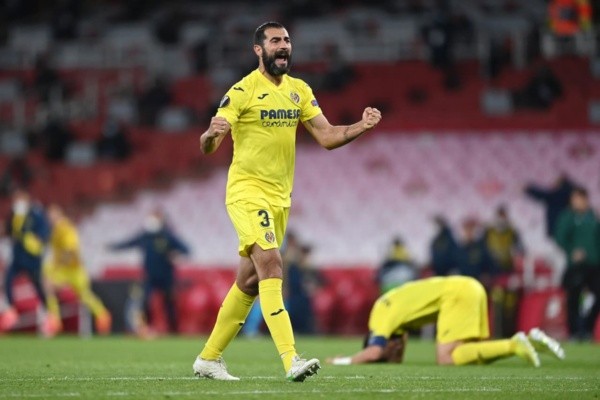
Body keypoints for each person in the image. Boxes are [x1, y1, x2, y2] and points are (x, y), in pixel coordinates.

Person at [194, 21, 381, 382]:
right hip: (247, 192)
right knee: (271, 263)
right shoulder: (243, 90)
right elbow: (210, 145)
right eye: (275, 41)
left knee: (250, 281)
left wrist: (360, 126)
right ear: (258, 50)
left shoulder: (299, 90)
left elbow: (327, 136)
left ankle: (209, 358)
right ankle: (291, 359)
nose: (283, 46)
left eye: (287, 40)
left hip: (280, 199)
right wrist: (209, 135)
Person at [326, 276, 565, 366]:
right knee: (468, 354)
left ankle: (514, 345)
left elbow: (374, 352)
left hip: (458, 295)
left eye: (394, 350)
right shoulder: (396, 311)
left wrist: (343, 361)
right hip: (470, 287)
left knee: (446, 358)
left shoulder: (379, 318)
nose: (398, 351)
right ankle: (530, 342)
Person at [108, 209, 189, 336]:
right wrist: (113, 247)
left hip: (166, 277)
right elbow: (129, 243)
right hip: (149, 277)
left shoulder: (167, 236)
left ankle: (173, 331)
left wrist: (174, 255)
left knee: (169, 304)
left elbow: (186, 249)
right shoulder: (145, 236)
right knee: (145, 302)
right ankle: (147, 328)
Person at [43, 204, 112, 337]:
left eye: (53, 215)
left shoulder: (66, 229)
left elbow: (71, 251)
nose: (50, 218)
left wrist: (57, 264)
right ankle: (54, 320)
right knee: (49, 286)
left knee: (83, 295)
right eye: (49, 215)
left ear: (60, 214)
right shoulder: (54, 230)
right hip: (64, 269)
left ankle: (102, 315)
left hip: (74, 269)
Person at [0, 189, 52, 334]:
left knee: (38, 287)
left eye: (20, 200)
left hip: (32, 258)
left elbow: (44, 231)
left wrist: (38, 241)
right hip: (18, 257)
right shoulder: (15, 215)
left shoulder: (36, 214)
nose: (17, 203)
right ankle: (11, 310)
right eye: (16, 200)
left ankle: (47, 314)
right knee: (8, 281)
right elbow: (9, 231)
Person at [553, 187, 600, 340]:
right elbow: (560, 237)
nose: (574, 202)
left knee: (597, 295)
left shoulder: (593, 216)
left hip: (594, 264)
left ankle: (587, 328)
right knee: (573, 298)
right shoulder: (568, 217)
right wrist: (572, 251)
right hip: (576, 266)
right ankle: (574, 332)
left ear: (584, 199)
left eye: (577, 199)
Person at [524, 173, 575, 238]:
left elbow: (542, 195)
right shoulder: (572, 194)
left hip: (557, 228)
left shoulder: (558, 194)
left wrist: (529, 189)